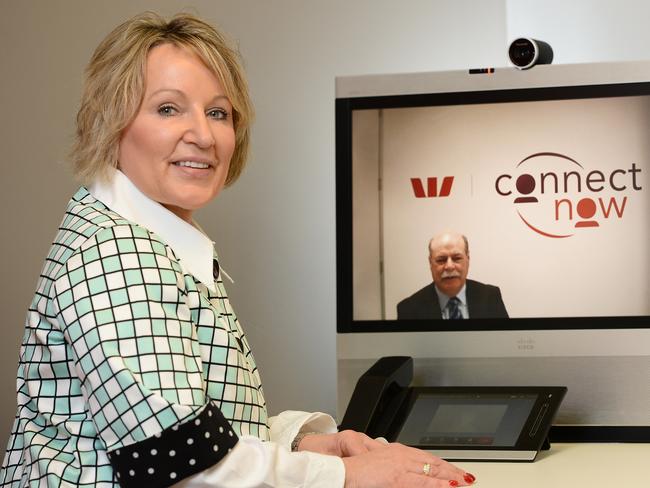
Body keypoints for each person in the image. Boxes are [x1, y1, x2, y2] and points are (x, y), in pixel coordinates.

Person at [0, 12, 476, 488]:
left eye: (218, 112)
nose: (204, 136)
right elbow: (180, 465)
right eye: (168, 108)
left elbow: (189, 433)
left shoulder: (147, 241)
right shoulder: (117, 257)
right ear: (111, 121)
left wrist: (303, 444)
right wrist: (347, 475)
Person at [397, 232, 508, 320]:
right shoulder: (409, 309)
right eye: (441, 260)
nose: (449, 266)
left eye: (456, 258)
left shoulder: (490, 297)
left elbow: (504, 342)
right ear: (430, 263)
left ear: (468, 259)